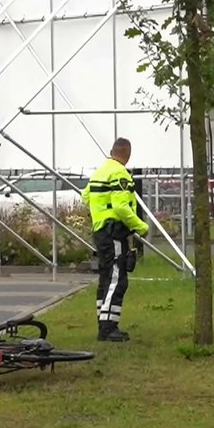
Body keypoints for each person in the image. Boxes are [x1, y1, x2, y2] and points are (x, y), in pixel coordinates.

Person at [82, 137, 149, 342]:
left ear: (112, 151)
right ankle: (109, 327)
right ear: (127, 154)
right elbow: (121, 207)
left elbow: (86, 196)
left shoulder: (100, 171)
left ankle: (103, 321)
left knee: (106, 277)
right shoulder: (120, 173)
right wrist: (141, 226)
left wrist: (100, 214)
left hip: (101, 231)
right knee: (117, 278)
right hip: (114, 233)